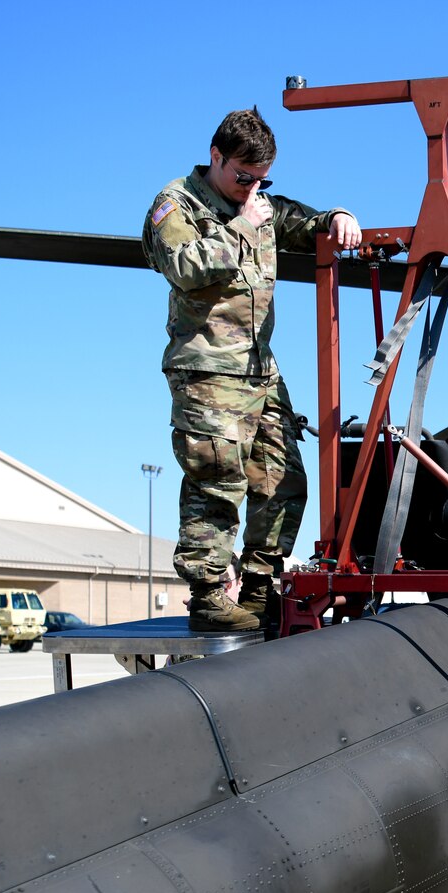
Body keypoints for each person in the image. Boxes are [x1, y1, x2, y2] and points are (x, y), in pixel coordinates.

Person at [143, 108, 362, 632]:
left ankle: (262, 589)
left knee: (284, 477)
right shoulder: (177, 205)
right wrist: (242, 226)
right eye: (243, 177)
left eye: (261, 180)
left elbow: (304, 223)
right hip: (208, 369)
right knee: (216, 482)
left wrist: (337, 216)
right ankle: (210, 597)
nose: (252, 189)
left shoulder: (259, 203)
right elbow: (183, 267)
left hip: (260, 371)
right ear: (215, 157)